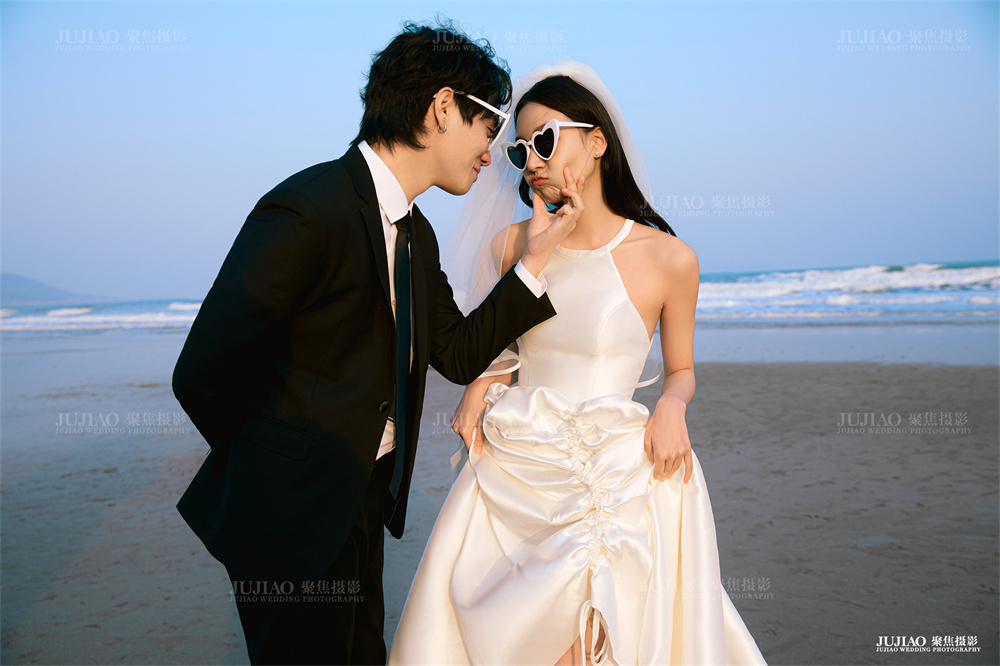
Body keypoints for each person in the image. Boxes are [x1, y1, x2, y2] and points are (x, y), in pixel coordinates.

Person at [171, 23, 586, 665]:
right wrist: (282, 474)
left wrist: (533, 262)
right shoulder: (309, 208)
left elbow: (457, 352)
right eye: (490, 126)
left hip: (363, 503)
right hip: (292, 514)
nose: (491, 152)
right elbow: (203, 372)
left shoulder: (416, 233)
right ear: (443, 107)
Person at [387, 58, 768, 665]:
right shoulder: (510, 245)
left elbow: (681, 370)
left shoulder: (670, 258)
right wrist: (479, 386)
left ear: (596, 142)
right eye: (520, 152)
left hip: (620, 470)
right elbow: (499, 344)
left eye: (544, 141)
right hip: (517, 467)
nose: (532, 163)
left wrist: (672, 405)